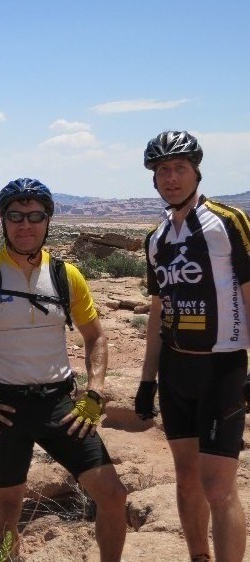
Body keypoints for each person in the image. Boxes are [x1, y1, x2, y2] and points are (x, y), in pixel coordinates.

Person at [0, 178, 126, 561]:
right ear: (3, 220)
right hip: (5, 408)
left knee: (113, 495)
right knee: (8, 507)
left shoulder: (67, 276)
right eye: (16, 216)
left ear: (48, 221)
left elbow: (95, 336)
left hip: (60, 405)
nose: (25, 225)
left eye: (35, 216)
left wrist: (95, 391)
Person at [135, 130, 249, 562]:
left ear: (196, 172)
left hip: (222, 368)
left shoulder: (227, 221)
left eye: (179, 168)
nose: (171, 177)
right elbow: (156, 311)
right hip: (176, 370)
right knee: (185, 479)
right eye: (163, 170)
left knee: (218, 488)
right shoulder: (156, 238)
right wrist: (148, 381)